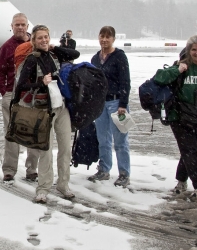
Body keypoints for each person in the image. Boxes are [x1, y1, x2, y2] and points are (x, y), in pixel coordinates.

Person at [13, 25, 80, 203]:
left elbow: (75, 55)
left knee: (65, 149)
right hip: (43, 110)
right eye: (40, 38)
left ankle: (63, 185)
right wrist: (40, 83)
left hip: (61, 108)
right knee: (46, 151)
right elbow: (21, 87)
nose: (44, 40)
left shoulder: (54, 55)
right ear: (33, 41)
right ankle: (43, 188)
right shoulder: (31, 60)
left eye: (46, 37)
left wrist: (54, 48)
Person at [153, 35, 197, 198]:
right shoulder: (182, 66)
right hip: (179, 116)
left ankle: (181, 182)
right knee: (190, 150)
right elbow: (159, 78)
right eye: (194, 50)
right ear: (188, 51)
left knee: (190, 151)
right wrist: (177, 69)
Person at [0, 12, 40, 182]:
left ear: (27, 27)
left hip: (32, 94)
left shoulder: (35, 43)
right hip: (12, 94)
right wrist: (4, 91)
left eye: (23, 25)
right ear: (12, 26)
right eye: (17, 25)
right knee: (11, 133)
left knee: (33, 132)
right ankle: (9, 169)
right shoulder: (7, 47)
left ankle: (32, 169)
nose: (20, 27)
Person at [89, 26, 131, 187]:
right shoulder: (95, 59)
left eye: (108, 37)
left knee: (120, 141)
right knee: (103, 139)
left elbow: (125, 81)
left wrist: (123, 104)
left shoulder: (119, 56)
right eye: (102, 36)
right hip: (101, 103)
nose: (104, 40)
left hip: (116, 102)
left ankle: (124, 173)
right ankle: (104, 169)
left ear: (113, 39)